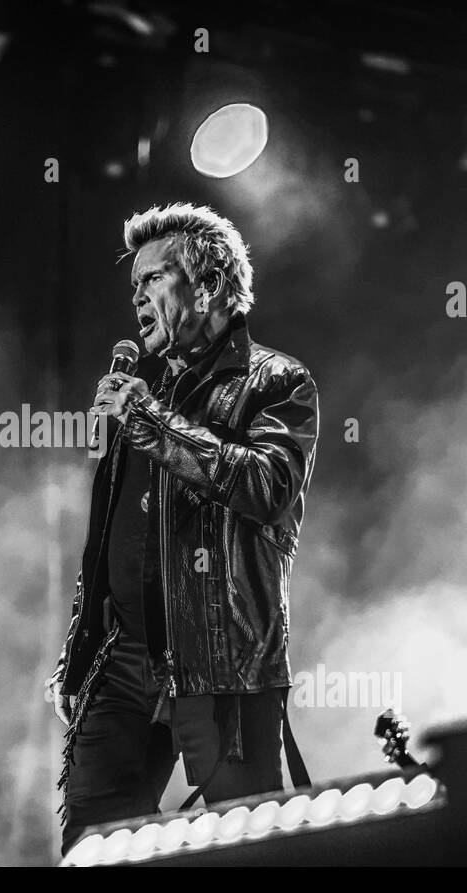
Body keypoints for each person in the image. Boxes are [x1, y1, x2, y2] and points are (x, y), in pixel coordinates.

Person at [43, 202, 319, 857]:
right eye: (132, 285)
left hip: (221, 664)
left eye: (153, 280)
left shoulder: (276, 381)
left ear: (211, 286)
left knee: (245, 841)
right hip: (123, 658)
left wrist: (154, 426)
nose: (136, 297)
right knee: (92, 842)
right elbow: (114, 537)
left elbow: (266, 486)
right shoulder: (145, 396)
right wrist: (82, 644)